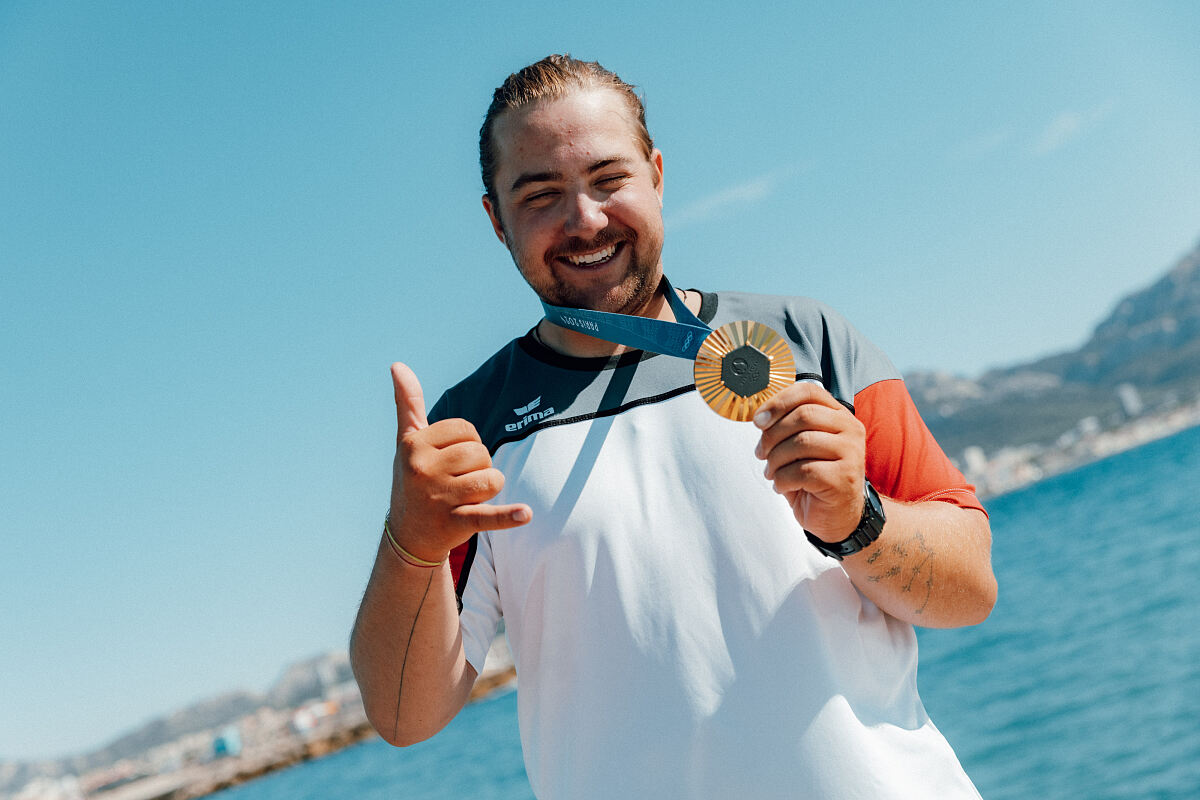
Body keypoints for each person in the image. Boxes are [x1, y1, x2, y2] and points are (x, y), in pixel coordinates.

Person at [350, 54, 997, 799]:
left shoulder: (807, 341)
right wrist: (411, 541)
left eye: (608, 178)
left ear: (656, 173)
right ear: (496, 219)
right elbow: (404, 716)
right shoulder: (469, 433)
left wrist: (861, 520)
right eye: (540, 196)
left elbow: (971, 589)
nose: (584, 218)